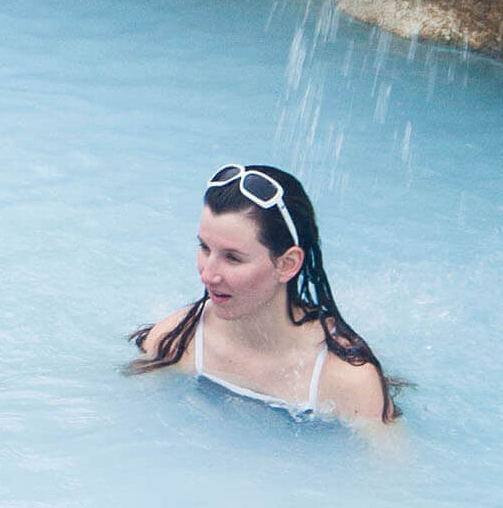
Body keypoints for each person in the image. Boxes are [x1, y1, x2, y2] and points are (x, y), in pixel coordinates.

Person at [129, 164, 399, 426]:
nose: (208, 275)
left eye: (233, 258)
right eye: (204, 248)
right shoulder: (176, 343)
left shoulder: (346, 379)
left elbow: (388, 469)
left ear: (287, 264)